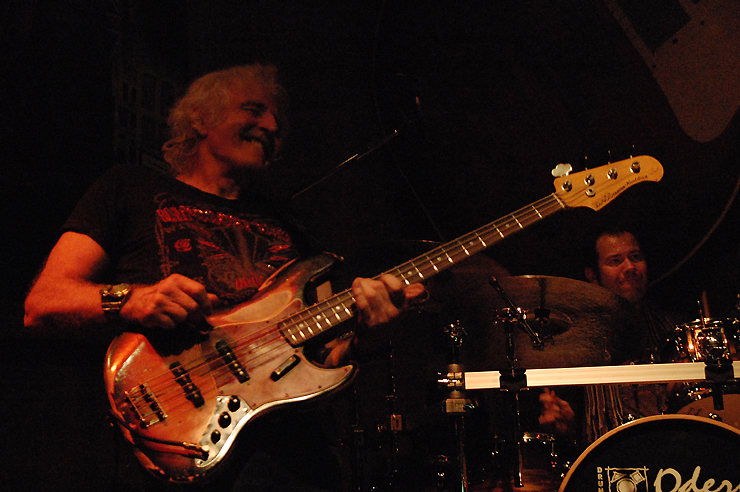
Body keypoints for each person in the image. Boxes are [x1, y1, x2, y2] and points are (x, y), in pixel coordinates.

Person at [23, 64, 425, 491]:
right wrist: (134, 300)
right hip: (171, 432)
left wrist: (366, 337)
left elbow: (324, 360)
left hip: (289, 459)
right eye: (254, 110)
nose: (271, 126)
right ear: (199, 118)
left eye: (278, 121)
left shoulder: (295, 230)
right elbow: (43, 304)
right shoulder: (129, 186)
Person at [538, 225, 676, 444]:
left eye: (635, 257)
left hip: (673, 447)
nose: (630, 267)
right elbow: (567, 422)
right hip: (606, 454)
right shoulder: (575, 340)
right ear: (592, 275)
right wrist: (566, 422)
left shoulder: (669, 327)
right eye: (615, 261)